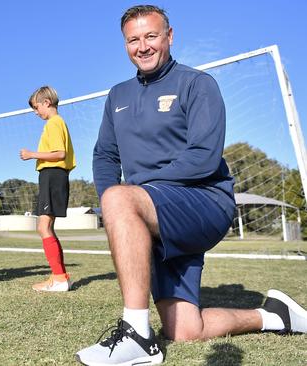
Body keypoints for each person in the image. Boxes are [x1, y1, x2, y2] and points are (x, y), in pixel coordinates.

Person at [75, 5, 307, 365]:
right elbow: (105, 155)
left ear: (169, 36)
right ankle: (276, 316)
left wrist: (128, 198)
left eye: (151, 36)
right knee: (184, 329)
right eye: (133, 39)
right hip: (152, 211)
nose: (143, 46)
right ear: (125, 45)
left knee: (122, 198)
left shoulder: (197, 84)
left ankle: (136, 336)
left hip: (203, 201)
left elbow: (203, 156)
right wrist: (113, 200)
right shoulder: (117, 95)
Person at [20, 86, 76, 292]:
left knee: (43, 227)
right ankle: (60, 277)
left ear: (46, 102)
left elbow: (60, 154)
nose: (36, 112)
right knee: (47, 227)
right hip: (53, 177)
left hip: (53, 175)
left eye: (36, 107)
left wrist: (32, 154)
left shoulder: (54, 123)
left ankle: (60, 279)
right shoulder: (56, 123)